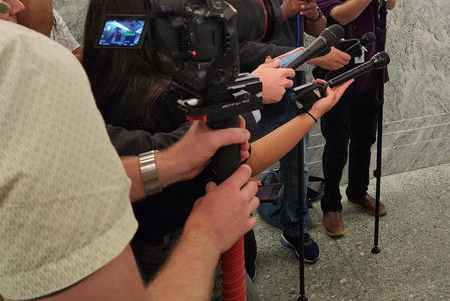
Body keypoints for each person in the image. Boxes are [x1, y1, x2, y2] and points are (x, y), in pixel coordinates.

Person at [81, 0, 351, 297]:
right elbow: (244, 160)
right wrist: (298, 109)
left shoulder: (93, 83)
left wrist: (272, 71)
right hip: (182, 250)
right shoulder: (166, 99)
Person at [0, 15, 260, 301]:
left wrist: (171, 162)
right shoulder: (17, 62)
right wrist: (205, 236)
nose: (18, 6)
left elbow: (79, 186)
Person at [216, 0, 351, 263]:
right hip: (252, 88)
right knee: (249, 162)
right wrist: (281, 12)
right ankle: (249, 230)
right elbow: (233, 49)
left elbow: (315, 27)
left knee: (296, 162)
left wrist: (311, 10)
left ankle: (294, 227)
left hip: (295, 84)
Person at [310, 0, 398, 238]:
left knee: (365, 138)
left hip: (370, 73)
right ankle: (330, 205)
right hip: (337, 78)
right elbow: (339, 16)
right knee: (336, 142)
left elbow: (392, 5)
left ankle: (358, 191)